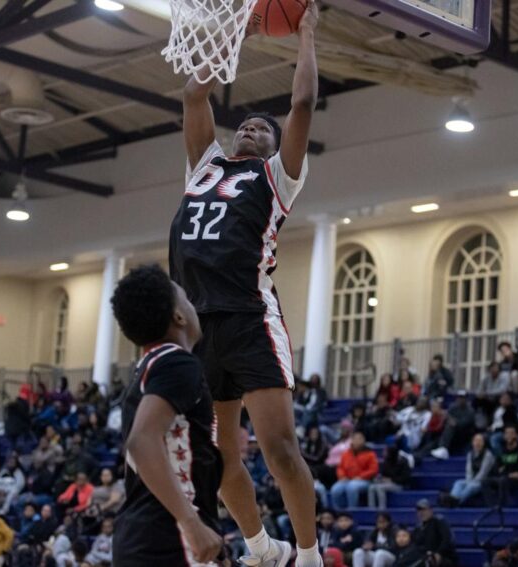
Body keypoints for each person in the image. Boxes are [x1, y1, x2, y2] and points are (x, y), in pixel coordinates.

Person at [170, 1, 321, 563]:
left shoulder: (278, 176)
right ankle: (262, 547)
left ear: (273, 145)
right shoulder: (204, 166)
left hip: (250, 317)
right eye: (246, 126)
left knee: (281, 451)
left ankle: (308, 556)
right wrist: (231, 31)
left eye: (262, 129)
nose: (250, 130)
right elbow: (194, 94)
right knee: (217, 456)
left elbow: (302, 101)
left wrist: (304, 31)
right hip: (199, 327)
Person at [110, 265, 224, 565]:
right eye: (186, 298)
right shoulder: (177, 363)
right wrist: (191, 523)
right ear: (179, 316)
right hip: (170, 537)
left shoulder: (146, 370)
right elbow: (141, 442)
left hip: (141, 536)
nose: (193, 304)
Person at [441, 433, 495, 507]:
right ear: (472, 442)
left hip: (483, 481)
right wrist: (469, 481)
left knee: (471, 486)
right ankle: (452, 499)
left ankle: (456, 502)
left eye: (480, 441)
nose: (477, 443)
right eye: (476, 441)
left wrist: (471, 482)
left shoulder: (488, 455)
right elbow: (468, 470)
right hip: (472, 480)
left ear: (484, 443)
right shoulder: (470, 454)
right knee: (458, 483)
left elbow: (483, 472)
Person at [483, 425, 518, 507]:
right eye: (507, 433)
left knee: (503, 480)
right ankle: (491, 506)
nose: (509, 435)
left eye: (511, 433)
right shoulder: (502, 451)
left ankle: (503, 506)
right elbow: (496, 469)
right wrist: (506, 473)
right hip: (505, 478)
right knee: (485, 481)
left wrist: (506, 473)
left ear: (516, 435)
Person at [330, 432, 379, 510]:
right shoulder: (346, 454)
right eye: (355, 439)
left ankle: (352, 510)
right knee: (335, 489)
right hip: (347, 479)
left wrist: (361, 477)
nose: (357, 441)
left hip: (365, 480)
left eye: (360, 439)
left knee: (351, 487)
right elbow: (340, 468)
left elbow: (374, 470)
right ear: (351, 440)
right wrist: (342, 476)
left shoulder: (370, 454)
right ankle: (339, 511)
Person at [430, 390, 475, 460]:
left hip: (464, 434)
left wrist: (455, 422)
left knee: (450, 426)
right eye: (460, 398)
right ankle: (441, 448)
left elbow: (465, 423)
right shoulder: (453, 407)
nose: (461, 400)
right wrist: (448, 419)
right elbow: (447, 416)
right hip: (452, 433)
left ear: (466, 399)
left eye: (463, 398)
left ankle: (443, 448)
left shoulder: (470, 410)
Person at [411, 499, 457, 566]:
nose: (421, 513)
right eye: (419, 510)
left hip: (443, 557)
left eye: (424, 510)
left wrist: (439, 553)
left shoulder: (439, 522)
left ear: (431, 510)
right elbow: (415, 544)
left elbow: (447, 539)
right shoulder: (418, 528)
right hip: (424, 556)